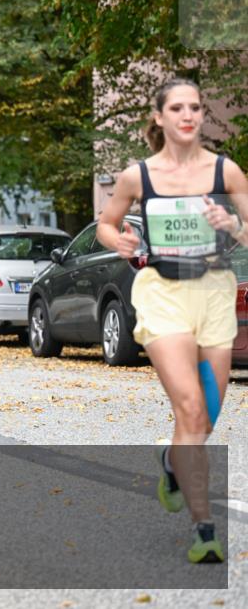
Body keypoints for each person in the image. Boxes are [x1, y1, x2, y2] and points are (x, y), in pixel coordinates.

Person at [96, 78, 245, 564]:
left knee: (206, 417)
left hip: (215, 295)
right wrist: (116, 240)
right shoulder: (138, 177)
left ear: (203, 116)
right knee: (190, 409)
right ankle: (204, 530)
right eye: (177, 107)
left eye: (196, 107)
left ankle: (170, 461)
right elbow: (106, 221)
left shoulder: (228, 173)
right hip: (163, 295)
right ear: (158, 117)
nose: (188, 115)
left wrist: (234, 227)